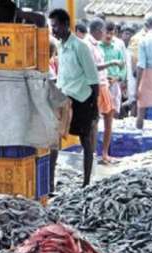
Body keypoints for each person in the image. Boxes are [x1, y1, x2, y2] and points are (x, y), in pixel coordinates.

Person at [49, 8, 99, 188]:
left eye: (54, 26)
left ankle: (86, 183)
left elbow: (94, 80)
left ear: (64, 25)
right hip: (63, 99)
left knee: (86, 141)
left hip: (82, 100)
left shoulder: (80, 47)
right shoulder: (60, 47)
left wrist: (94, 108)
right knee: (54, 140)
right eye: (51, 26)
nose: (52, 30)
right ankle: (50, 184)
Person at [99, 21, 126, 163]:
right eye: (107, 32)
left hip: (113, 86)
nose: (109, 35)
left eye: (112, 32)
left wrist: (117, 78)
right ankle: (93, 152)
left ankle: (105, 153)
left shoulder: (118, 47)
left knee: (109, 121)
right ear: (101, 32)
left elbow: (123, 68)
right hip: (100, 86)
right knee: (94, 121)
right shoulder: (97, 48)